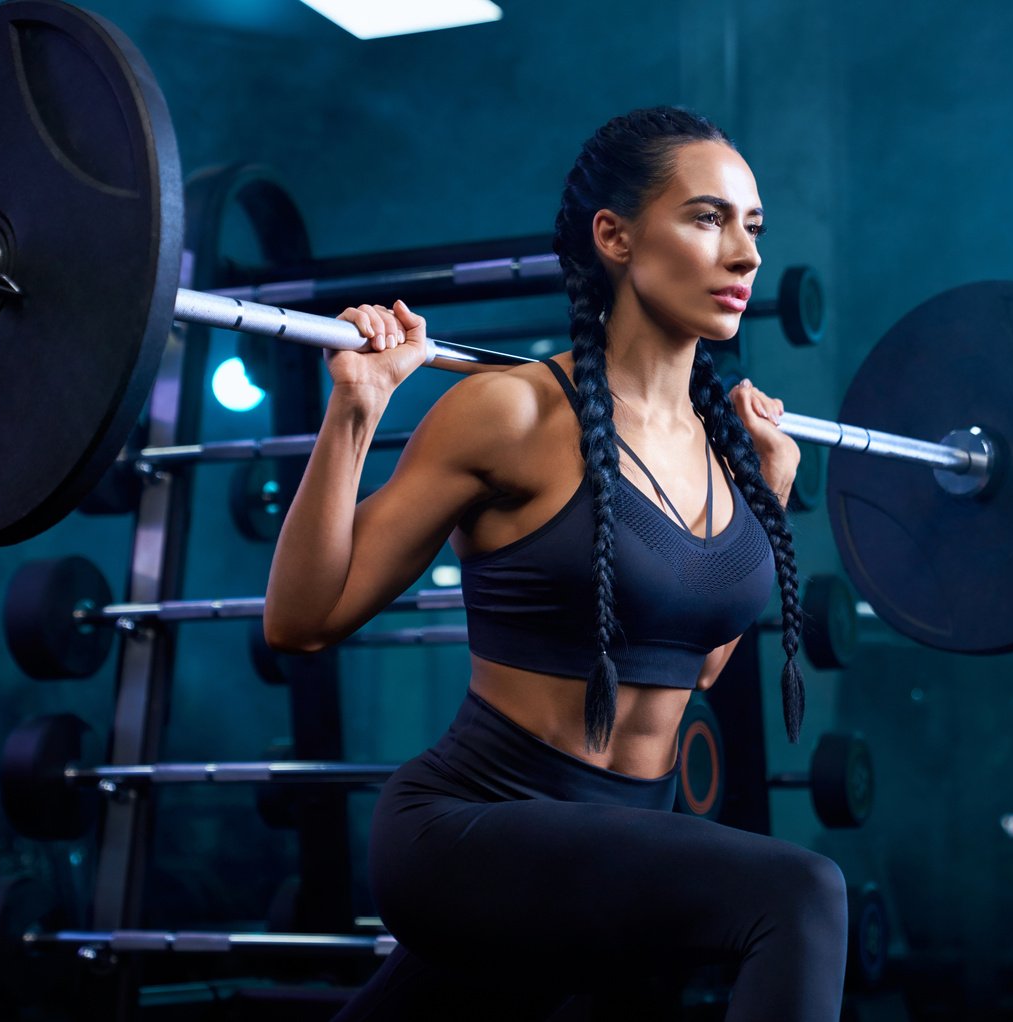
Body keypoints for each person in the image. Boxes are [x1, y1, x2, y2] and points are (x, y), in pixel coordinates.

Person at [264, 107, 847, 1021]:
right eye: (707, 218)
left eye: (753, 227)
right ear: (613, 236)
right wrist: (357, 410)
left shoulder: (732, 453)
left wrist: (767, 487)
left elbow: (691, 668)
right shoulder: (514, 412)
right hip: (471, 832)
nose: (744, 255)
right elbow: (301, 621)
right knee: (801, 894)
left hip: (606, 847)